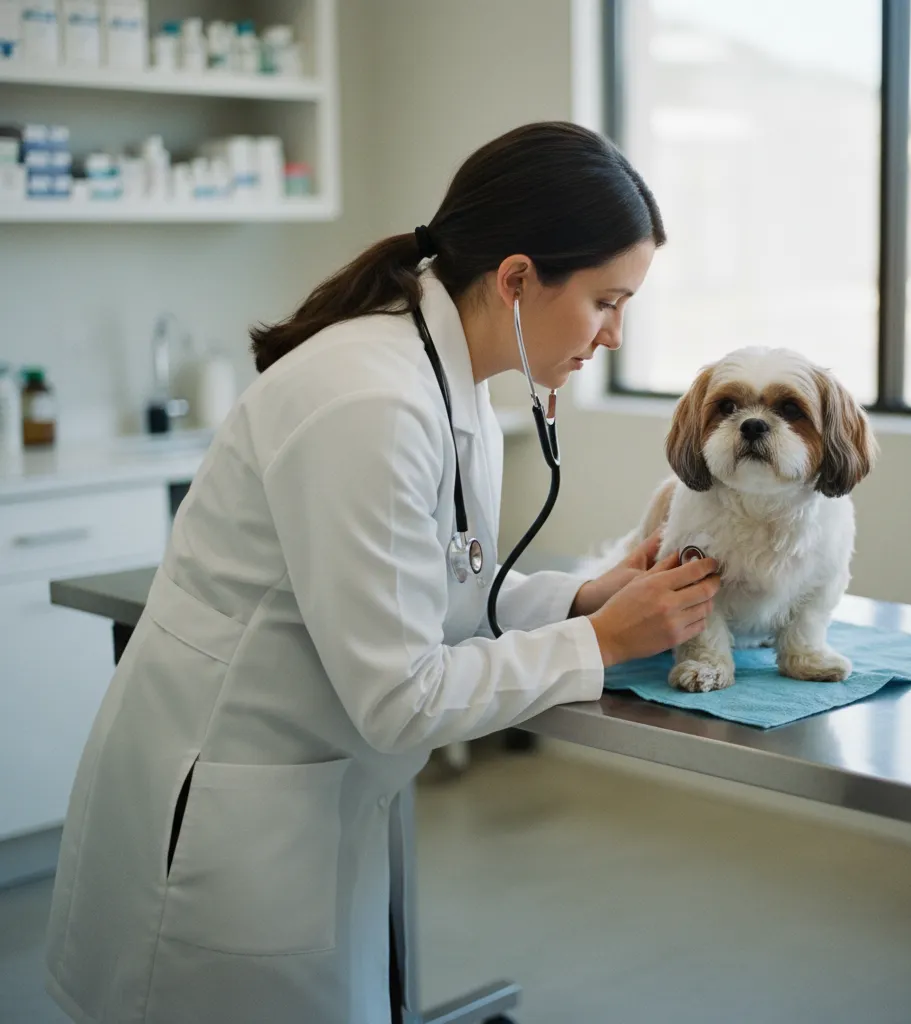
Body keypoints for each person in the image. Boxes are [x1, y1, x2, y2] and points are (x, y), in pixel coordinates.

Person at [44, 121, 720, 1024]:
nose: (613, 335)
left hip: (301, 800)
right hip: (226, 818)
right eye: (606, 301)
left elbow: (439, 583)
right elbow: (400, 693)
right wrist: (597, 642)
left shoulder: (450, 377)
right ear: (517, 279)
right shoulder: (370, 399)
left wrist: (580, 596)